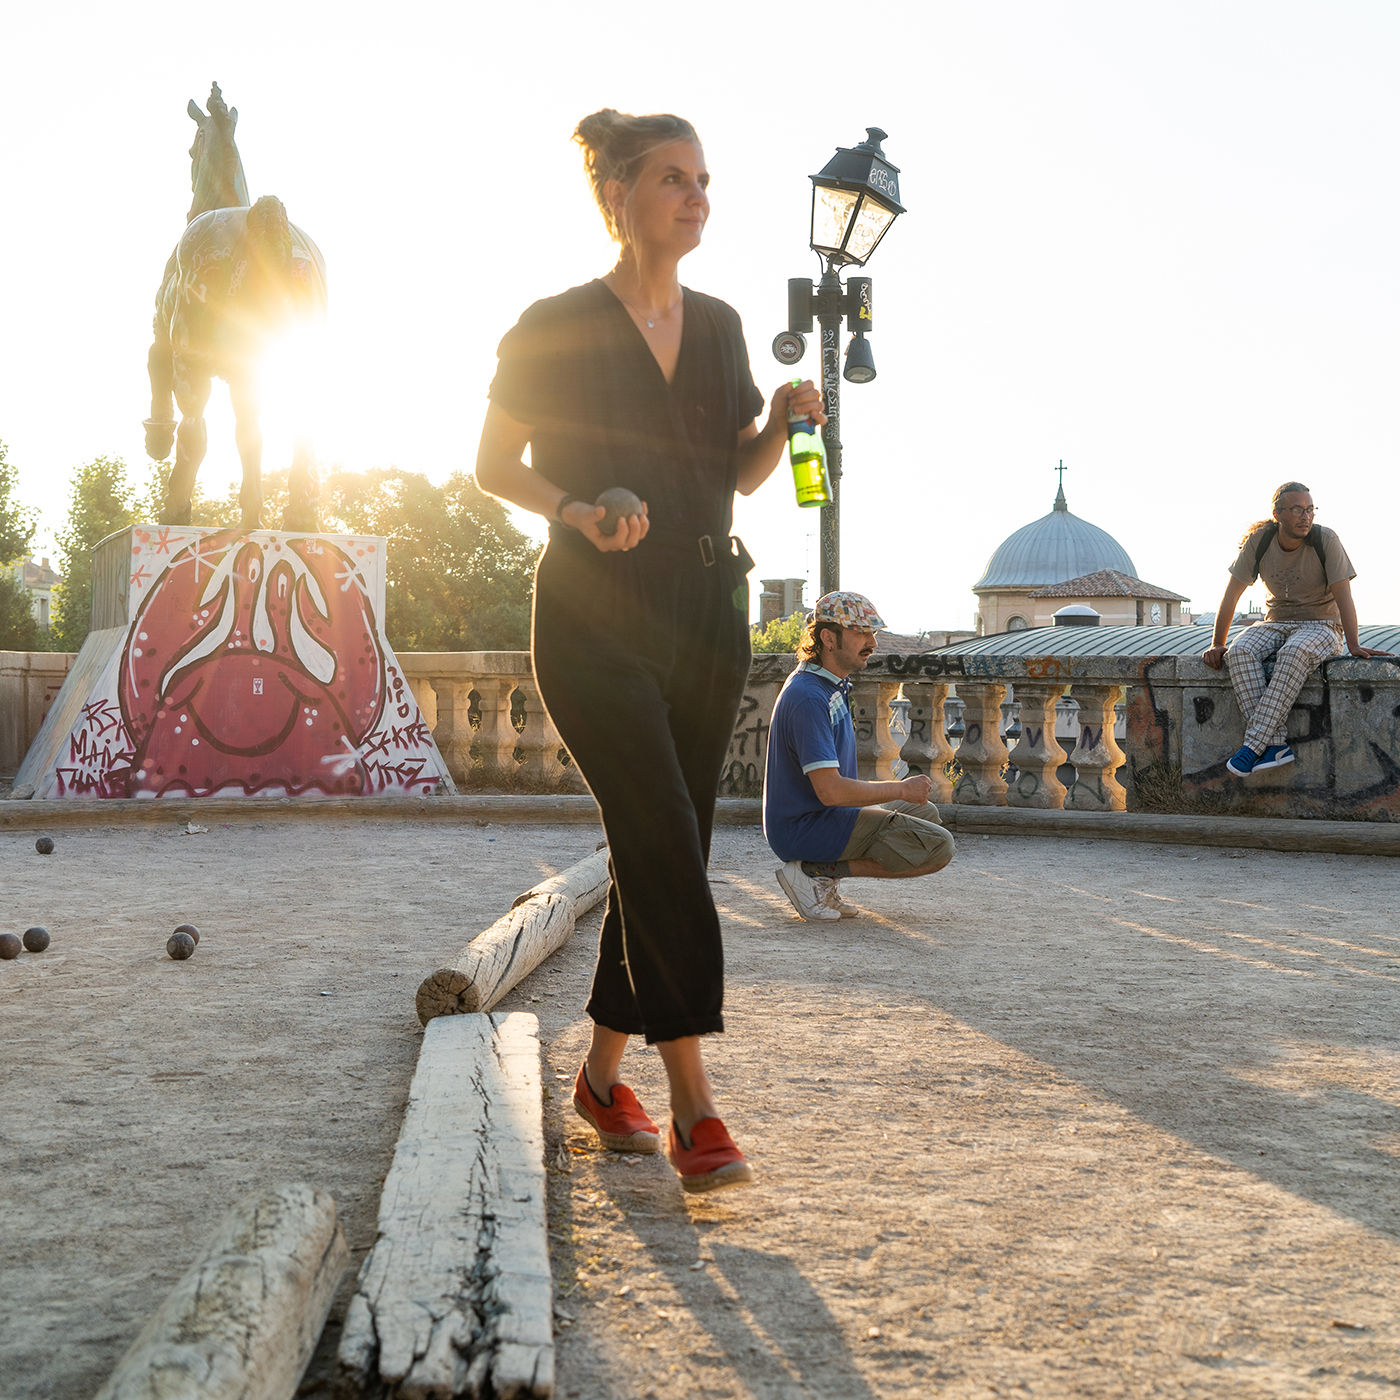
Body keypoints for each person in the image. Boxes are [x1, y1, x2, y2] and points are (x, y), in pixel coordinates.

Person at [474, 108, 824, 1194]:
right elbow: (491, 463)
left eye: (705, 180)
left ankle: (597, 1077)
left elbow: (743, 473)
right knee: (664, 832)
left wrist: (781, 419)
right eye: (673, 178)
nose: (696, 196)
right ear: (619, 195)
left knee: (660, 838)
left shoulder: (719, 327)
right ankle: (695, 1104)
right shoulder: (554, 322)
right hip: (591, 609)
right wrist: (575, 508)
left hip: (703, 607)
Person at [763, 591, 955, 922]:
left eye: (873, 633)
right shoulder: (809, 697)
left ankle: (820, 875)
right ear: (828, 638)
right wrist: (899, 789)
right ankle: (812, 871)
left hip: (820, 817)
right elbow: (832, 791)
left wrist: (901, 796)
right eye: (860, 633)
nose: (872, 643)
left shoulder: (830, 684)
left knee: (925, 814)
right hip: (804, 828)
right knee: (938, 847)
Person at [1202, 481, 1391, 776]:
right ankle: (1275, 746)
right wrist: (1217, 642)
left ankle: (1253, 747)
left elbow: (1344, 596)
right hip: (1275, 621)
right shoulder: (1260, 541)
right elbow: (1231, 595)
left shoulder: (1325, 539)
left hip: (1323, 625)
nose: (1306, 516)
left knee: (1294, 652)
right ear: (1277, 514)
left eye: (1310, 509)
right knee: (1238, 652)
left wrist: (1353, 644)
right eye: (1296, 510)